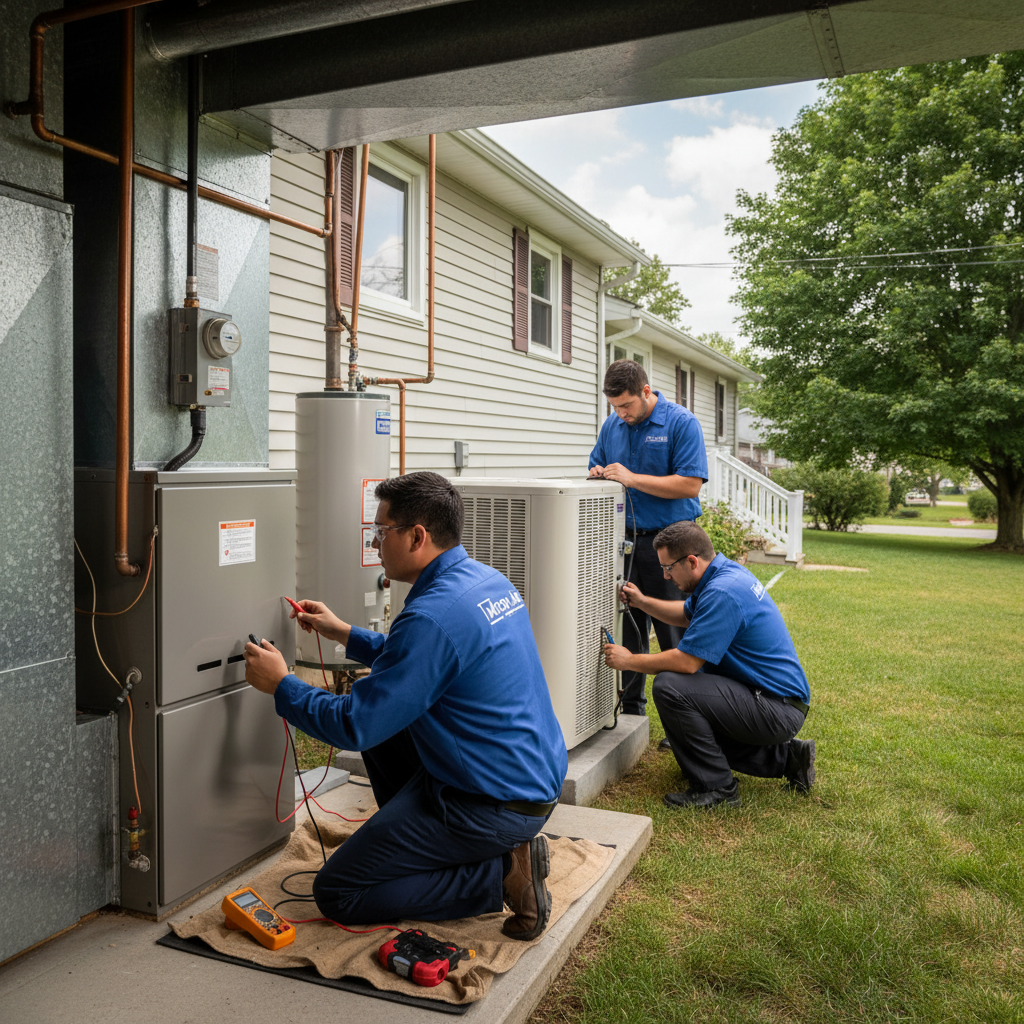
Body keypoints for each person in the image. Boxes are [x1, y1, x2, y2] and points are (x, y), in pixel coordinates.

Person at [244, 471, 568, 939]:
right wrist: (346, 633)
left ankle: (498, 873)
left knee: (338, 892)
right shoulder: (482, 581)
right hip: (525, 780)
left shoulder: (431, 615)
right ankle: (437, 845)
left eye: (382, 531)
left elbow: (354, 726)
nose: (376, 544)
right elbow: (421, 663)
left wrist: (282, 685)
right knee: (388, 721)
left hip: (490, 804)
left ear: (417, 536)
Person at [603, 520, 814, 809]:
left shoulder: (722, 592)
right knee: (690, 728)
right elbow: (686, 614)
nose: (665, 576)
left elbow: (686, 662)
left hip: (777, 708)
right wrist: (642, 602)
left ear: (691, 561)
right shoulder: (721, 574)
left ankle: (718, 788)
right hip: (775, 700)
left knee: (671, 687)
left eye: (668, 568)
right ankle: (789, 759)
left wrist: (629, 660)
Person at [589, 359, 708, 717]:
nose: (620, 413)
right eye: (614, 406)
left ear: (646, 391)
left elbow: (690, 484)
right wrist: (596, 474)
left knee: (674, 629)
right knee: (627, 625)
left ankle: (685, 719)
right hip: (624, 541)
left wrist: (631, 478)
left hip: (672, 544)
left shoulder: (680, 422)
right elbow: (598, 465)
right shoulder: (612, 425)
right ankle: (630, 713)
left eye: (626, 405)